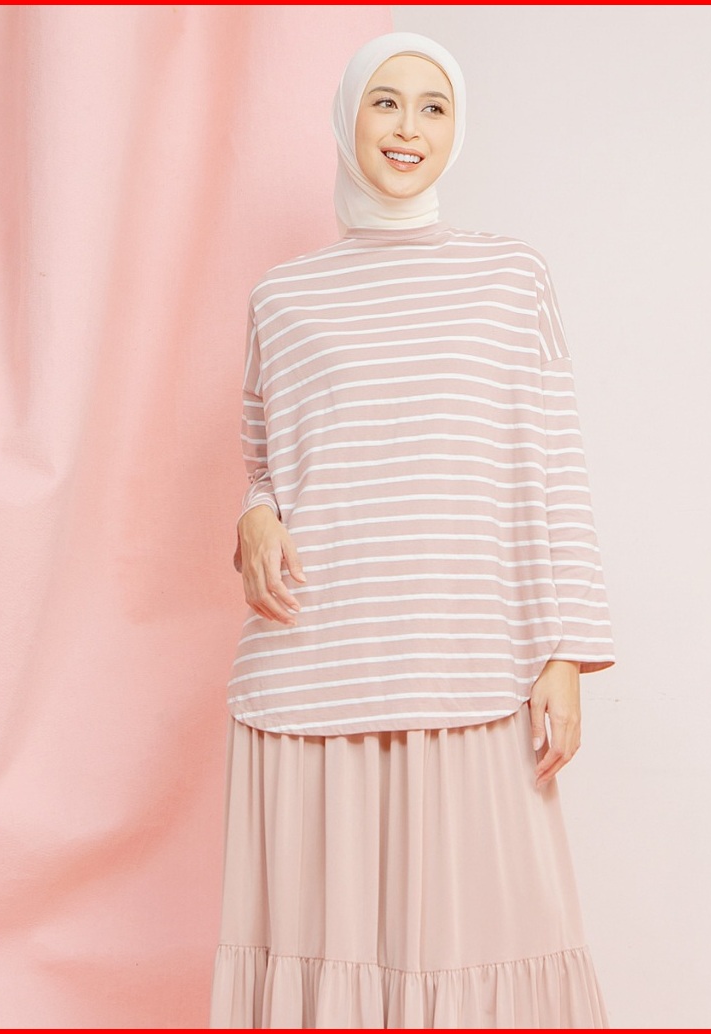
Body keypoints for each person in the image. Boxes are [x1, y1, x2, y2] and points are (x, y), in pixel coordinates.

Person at [209, 31, 616, 1029]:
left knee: (485, 949)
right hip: (311, 666)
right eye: (385, 101)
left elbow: (553, 465)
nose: (408, 127)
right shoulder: (281, 298)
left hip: (467, 660)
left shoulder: (509, 278)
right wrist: (253, 514)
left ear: (456, 130)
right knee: (327, 956)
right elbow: (268, 458)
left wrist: (564, 651)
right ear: (347, 116)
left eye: (434, 106)